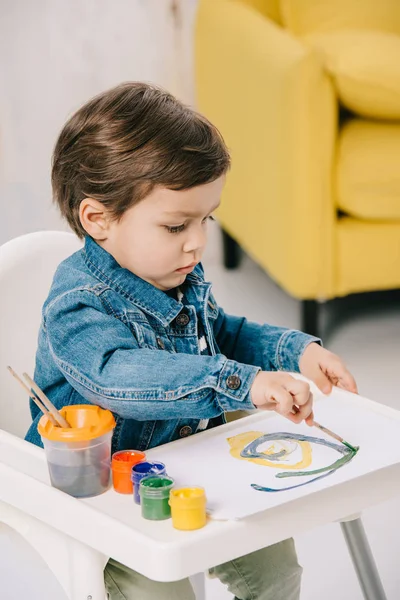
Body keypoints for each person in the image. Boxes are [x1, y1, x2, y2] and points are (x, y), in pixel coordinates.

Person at [26, 82, 358, 600]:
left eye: (207, 218)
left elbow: (221, 333)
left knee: (277, 573)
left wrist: (296, 351)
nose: (199, 241)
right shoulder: (77, 304)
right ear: (98, 220)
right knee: (167, 592)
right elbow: (119, 375)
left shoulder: (176, 274)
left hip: (191, 458)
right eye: (177, 224)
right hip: (108, 491)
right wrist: (239, 383)